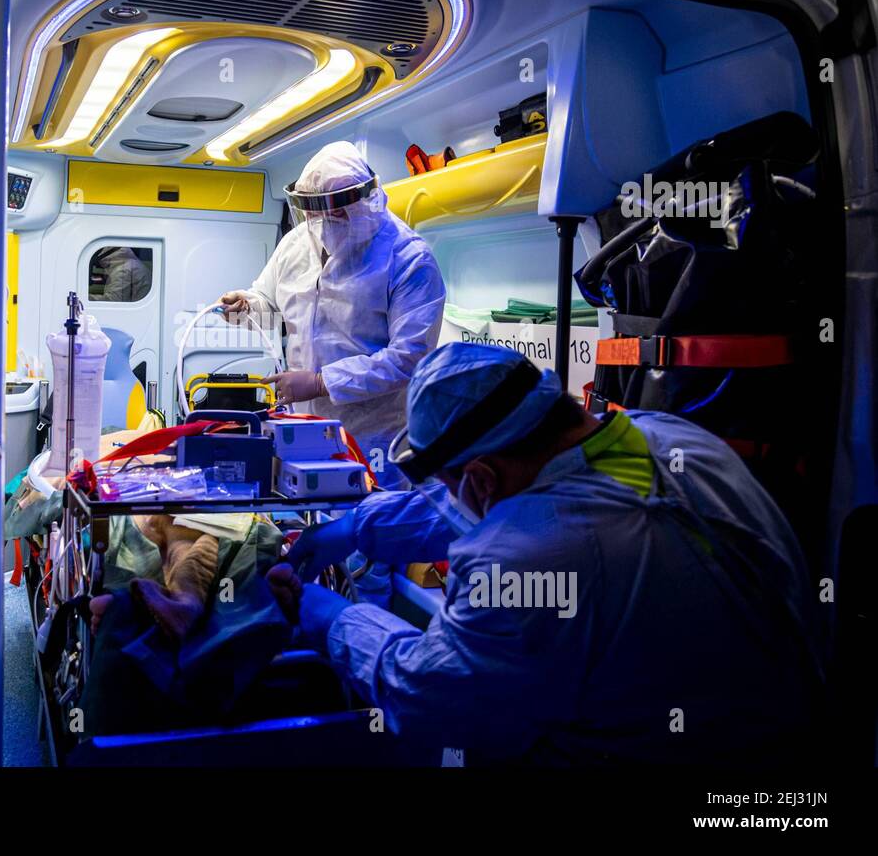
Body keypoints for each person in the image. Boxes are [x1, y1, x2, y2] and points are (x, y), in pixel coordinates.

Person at [269, 343, 822, 764]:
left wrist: (333, 619)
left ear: (481, 478)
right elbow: (491, 502)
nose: (452, 498)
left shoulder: (524, 559)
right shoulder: (668, 439)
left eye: (455, 482)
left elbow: (433, 704)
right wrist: (356, 528)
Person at [219, 141, 445, 491]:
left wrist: (322, 382)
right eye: (313, 214)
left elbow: (410, 359)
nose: (323, 225)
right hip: (300, 429)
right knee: (303, 522)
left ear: (365, 203)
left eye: (336, 214)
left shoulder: (407, 259)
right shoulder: (296, 244)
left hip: (371, 439)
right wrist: (247, 306)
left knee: (368, 530)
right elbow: (269, 302)